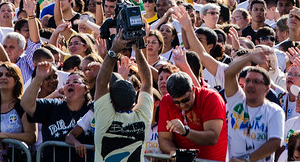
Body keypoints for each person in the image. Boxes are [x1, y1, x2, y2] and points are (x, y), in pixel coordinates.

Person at [93, 27, 153, 162]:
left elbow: (101, 82)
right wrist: (138, 49)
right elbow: (147, 83)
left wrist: (114, 49)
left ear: (111, 101)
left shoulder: (105, 118)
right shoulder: (142, 117)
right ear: (135, 100)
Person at [223, 47, 284, 162]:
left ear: (267, 88)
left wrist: (246, 160)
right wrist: (250, 55)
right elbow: (228, 73)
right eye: (247, 81)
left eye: (256, 82)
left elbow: (275, 142)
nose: (250, 85)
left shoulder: (274, 111)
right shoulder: (236, 101)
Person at [22, 64, 91, 162]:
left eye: (75, 82)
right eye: (67, 82)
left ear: (86, 89)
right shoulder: (53, 106)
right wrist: (38, 79)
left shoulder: (92, 109)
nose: (70, 84)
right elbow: (26, 104)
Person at [158, 71, 228, 162]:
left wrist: (185, 131)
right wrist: (174, 152)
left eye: (185, 100)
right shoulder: (166, 101)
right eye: (177, 102)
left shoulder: (211, 98)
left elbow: (212, 137)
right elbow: (164, 139)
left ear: (193, 89)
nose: (182, 105)